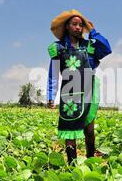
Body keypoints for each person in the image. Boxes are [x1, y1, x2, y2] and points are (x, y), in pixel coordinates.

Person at [46, 9, 112, 165]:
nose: (78, 27)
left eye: (81, 25)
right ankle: (71, 165)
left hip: (88, 89)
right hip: (68, 90)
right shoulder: (58, 49)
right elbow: (54, 73)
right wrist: (51, 95)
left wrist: (93, 31)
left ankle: (90, 161)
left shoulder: (90, 46)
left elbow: (107, 48)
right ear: (67, 27)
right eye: (74, 24)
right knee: (69, 132)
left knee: (89, 130)